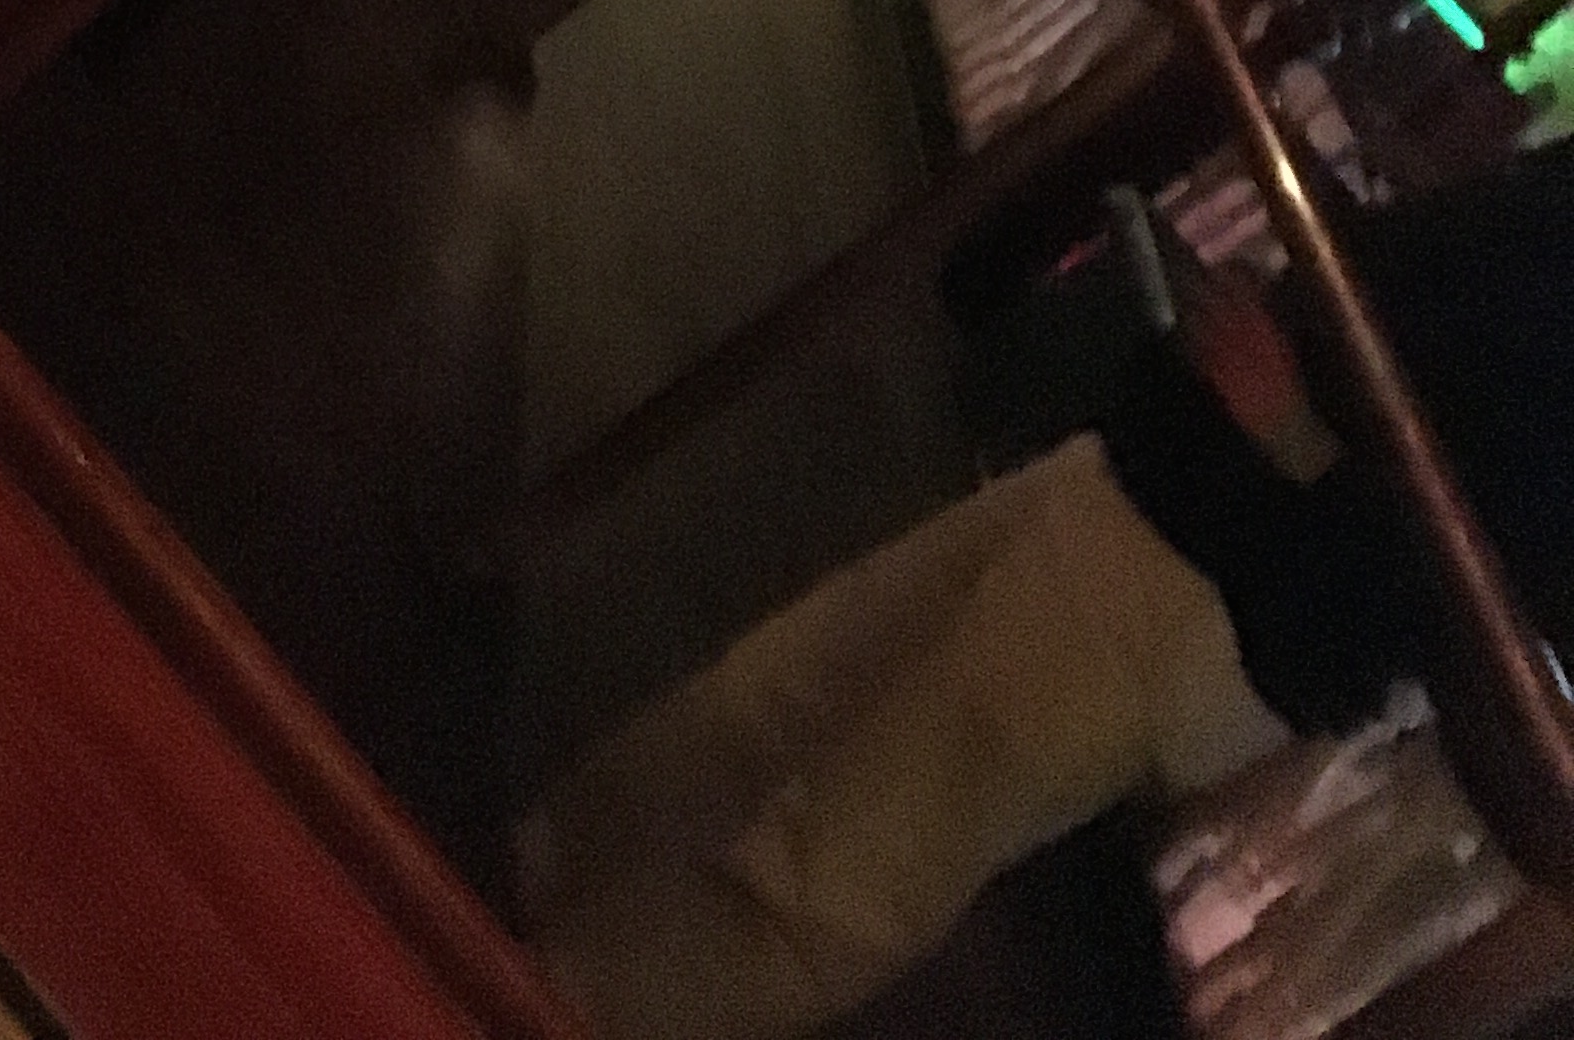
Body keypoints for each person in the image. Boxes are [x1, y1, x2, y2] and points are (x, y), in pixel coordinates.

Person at [518, 131, 1574, 1040]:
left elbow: (1489, 577)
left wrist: (1294, 436)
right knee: (773, 708)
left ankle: (512, 995)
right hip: (1166, 473)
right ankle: (516, 898)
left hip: (1223, 585)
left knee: (839, 871)